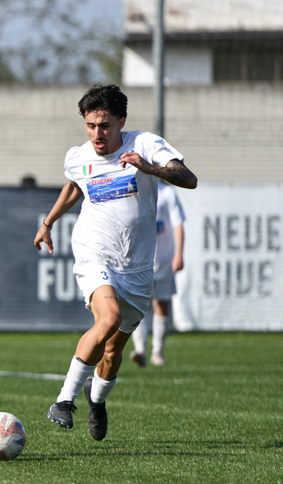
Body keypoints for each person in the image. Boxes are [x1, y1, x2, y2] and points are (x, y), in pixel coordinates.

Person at [33, 84, 197, 441]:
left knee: (112, 351)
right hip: (94, 253)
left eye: (105, 125)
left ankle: (97, 399)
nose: (97, 134)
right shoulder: (78, 156)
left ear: (121, 121)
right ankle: (64, 401)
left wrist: (149, 168)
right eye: (90, 125)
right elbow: (74, 185)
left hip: (137, 267)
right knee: (107, 319)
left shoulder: (145, 144)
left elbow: (189, 179)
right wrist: (48, 222)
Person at [129, 181, 186, 367]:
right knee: (139, 306)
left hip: (163, 260)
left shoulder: (167, 192)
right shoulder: (134, 189)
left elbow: (178, 224)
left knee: (162, 304)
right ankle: (140, 350)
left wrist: (179, 254)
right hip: (139, 261)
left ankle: (157, 353)